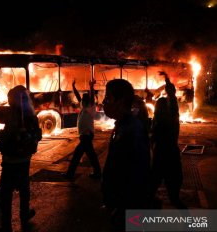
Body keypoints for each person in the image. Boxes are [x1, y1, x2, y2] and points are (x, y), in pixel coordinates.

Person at [0, 85, 39, 232]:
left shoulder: (8, 113)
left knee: (6, 194)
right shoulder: (32, 116)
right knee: (24, 190)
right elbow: (37, 137)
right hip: (25, 161)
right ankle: (24, 216)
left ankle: (6, 226)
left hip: (10, 162)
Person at [101, 79, 150, 231]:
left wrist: (124, 209)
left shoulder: (132, 130)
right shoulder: (122, 126)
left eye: (108, 97)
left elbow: (138, 174)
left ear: (120, 101)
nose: (103, 102)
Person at [149, 71, 187, 209]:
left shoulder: (156, 122)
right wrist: (167, 79)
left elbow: (151, 139)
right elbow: (172, 96)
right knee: (175, 195)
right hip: (172, 155)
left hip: (160, 156)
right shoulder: (173, 116)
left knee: (151, 189)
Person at [63, 79, 101, 180]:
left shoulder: (91, 107)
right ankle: (97, 173)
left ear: (88, 101)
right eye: (82, 101)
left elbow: (92, 96)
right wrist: (73, 86)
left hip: (87, 135)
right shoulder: (83, 106)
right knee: (90, 155)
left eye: (84, 100)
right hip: (84, 135)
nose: (82, 101)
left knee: (77, 155)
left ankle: (70, 175)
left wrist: (91, 86)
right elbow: (78, 96)